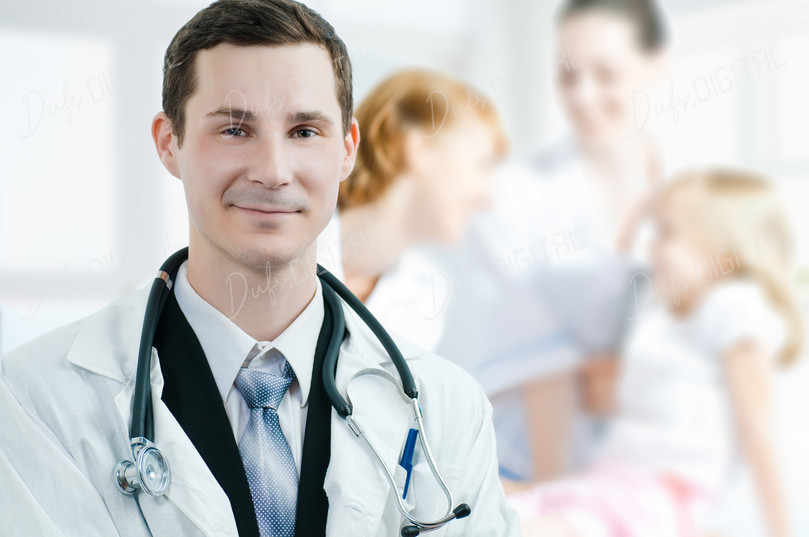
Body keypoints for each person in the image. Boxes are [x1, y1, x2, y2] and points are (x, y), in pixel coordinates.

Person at [0, 1, 518, 535]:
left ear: (347, 150)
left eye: (304, 132)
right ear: (168, 143)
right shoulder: (39, 402)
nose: (273, 171)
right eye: (233, 130)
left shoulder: (446, 411)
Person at [434, 0, 670, 489]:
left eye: (606, 74)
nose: (583, 96)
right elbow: (538, 364)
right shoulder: (512, 198)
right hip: (535, 473)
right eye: (567, 76)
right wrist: (556, 503)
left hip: (653, 478)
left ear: (655, 66)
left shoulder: (693, 197)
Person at [512, 168, 800, 537]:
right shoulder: (660, 316)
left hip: (659, 495)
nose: (652, 247)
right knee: (501, 515)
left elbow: (757, 428)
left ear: (726, 256)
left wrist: (781, 532)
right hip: (607, 484)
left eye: (668, 233)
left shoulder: (733, 306)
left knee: (541, 529)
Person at [317, 69, 508, 351]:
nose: (487, 198)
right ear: (419, 148)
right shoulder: (290, 241)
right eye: (481, 165)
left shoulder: (428, 295)